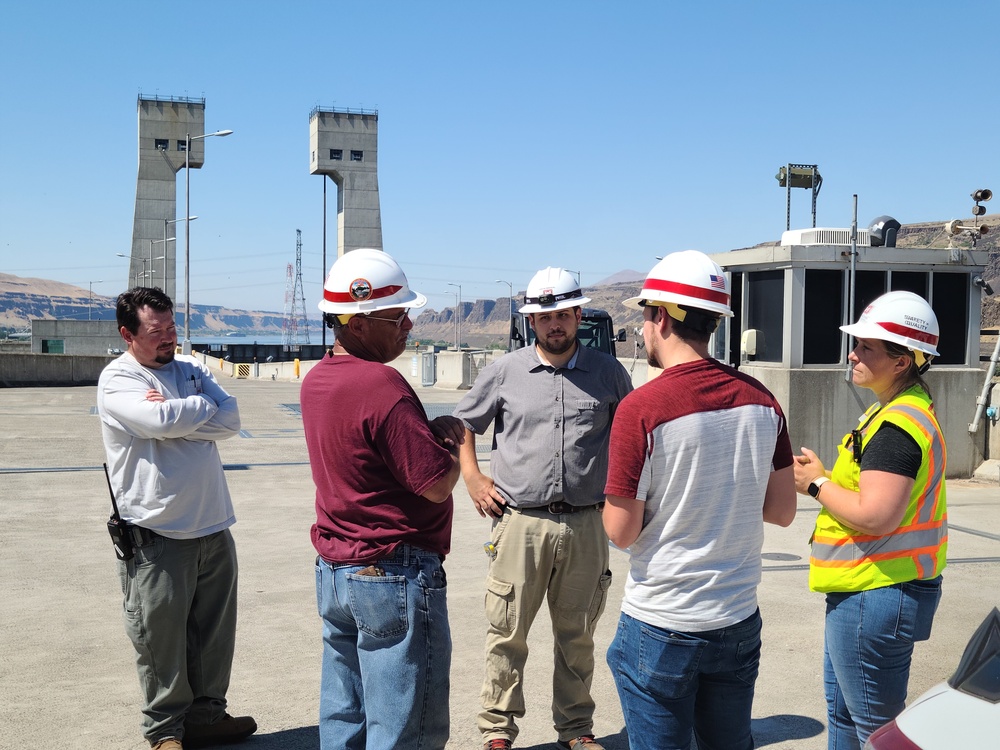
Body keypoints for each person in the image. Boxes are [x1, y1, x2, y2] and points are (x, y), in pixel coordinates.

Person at [602, 251, 797, 750]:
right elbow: (781, 511)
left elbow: (621, 530)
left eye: (645, 316)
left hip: (663, 622)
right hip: (735, 618)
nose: (643, 328)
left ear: (661, 317)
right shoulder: (763, 400)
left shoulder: (641, 409)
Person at [453, 267, 634, 750]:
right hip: (520, 524)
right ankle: (497, 732)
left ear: (578, 315)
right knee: (506, 633)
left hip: (587, 523)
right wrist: (473, 478)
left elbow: (633, 436)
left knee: (577, 636)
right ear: (531, 321)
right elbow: (461, 425)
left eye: (563, 315)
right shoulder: (504, 371)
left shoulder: (609, 373)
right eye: (544, 316)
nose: (555, 324)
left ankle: (576, 730)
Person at [300, 249, 463, 750]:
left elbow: (368, 453)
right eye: (397, 317)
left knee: (345, 715)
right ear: (359, 323)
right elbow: (434, 482)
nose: (409, 325)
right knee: (405, 727)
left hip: (337, 568)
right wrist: (455, 449)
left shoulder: (317, 380)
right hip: (393, 572)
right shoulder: (383, 384)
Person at [97, 287, 256, 750]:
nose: (168, 338)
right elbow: (161, 424)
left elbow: (231, 419)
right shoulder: (118, 379)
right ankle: (165, 731)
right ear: (128, 334)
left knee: (214, 634)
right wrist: (194, 411)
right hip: (156, 531)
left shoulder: (191, 369)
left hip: (212, 524)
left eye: (172, 328)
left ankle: (207, 718)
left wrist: (182, 414)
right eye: (156, 331)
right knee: (158, 638)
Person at [792, 290, 947, 749]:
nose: (852, 354)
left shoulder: (898, 425)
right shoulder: (898, 410)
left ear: (904, 362)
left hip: (875, 593)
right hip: (871, 589)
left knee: (875, 732)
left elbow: (876, 515)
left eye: (867, 347)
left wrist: (817, 484)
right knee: (845, 719)